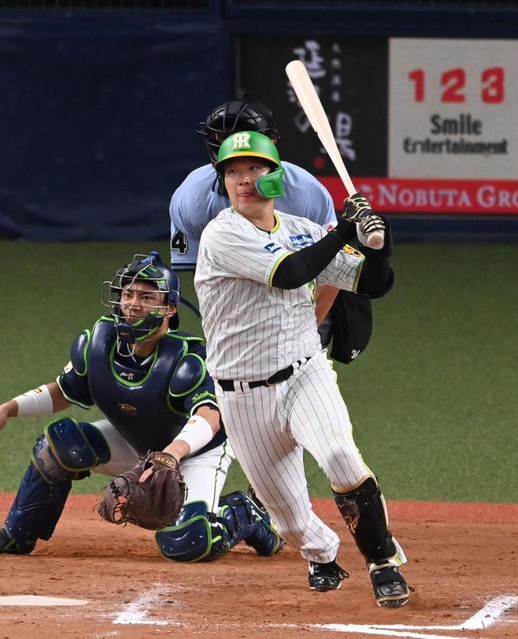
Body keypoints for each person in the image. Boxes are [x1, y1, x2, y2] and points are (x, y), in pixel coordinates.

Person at [194, 131, 411, 607]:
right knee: (288, 521)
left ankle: (382, 562)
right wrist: (343, 231)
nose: (243, 179)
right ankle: (322, 554)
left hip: (304, 372)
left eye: (254, 168)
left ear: (277, 177)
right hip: (242, 395)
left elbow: (374, 285)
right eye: (232, 171)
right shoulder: (222, 234)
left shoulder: (302, 229)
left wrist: (379, 243)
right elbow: (291, 272)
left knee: (339, 456)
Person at [0, 251, 282, 562]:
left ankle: (245, 512)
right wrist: (8, 408)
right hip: (137, 442)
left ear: (169, 307)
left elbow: (210, 417)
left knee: (189, 541)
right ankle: (17, 534)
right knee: (58, 447)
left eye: (147, 297)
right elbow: (63, 392)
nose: (133, 303)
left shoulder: (188, 359)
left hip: (195, 451)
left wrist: (171, 455)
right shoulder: (98, 343)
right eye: (128, 294)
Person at [170, 93, 373, 361]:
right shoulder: (192, 199)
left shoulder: (306, 193)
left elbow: (331, 272)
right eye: (223, 140)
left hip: (305, 296)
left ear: (272, 143)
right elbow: (207, 279)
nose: (235, 146)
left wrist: (305, 330)